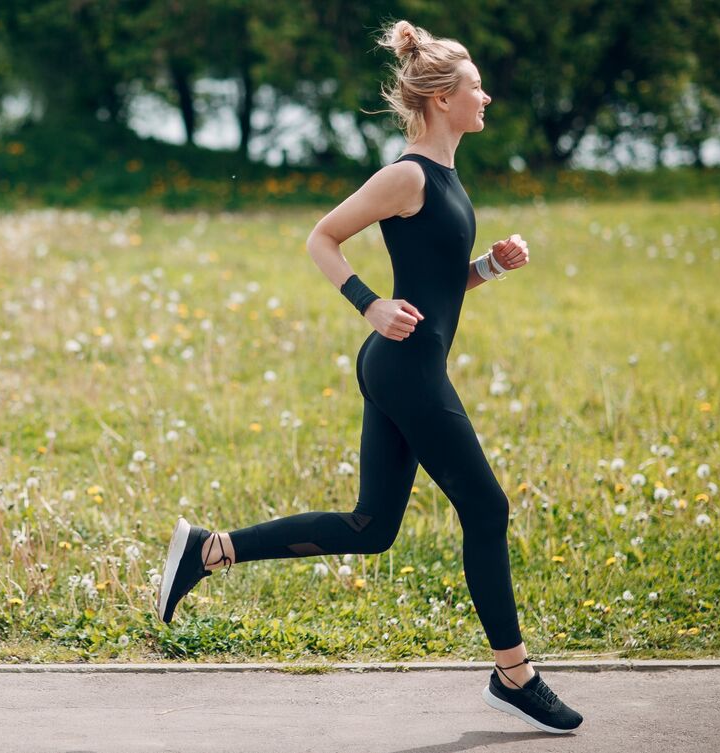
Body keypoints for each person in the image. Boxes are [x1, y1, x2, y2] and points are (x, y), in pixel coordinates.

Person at [156, 19, 584, 734]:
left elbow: (438, 285)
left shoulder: (445, 176)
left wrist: (489, 268)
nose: (488, 99)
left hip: (406, 363)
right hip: (404, 370)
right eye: (477, 88)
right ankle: (515, 674)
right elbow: (321, 236)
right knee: (487, 507)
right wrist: (369, 304)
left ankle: (208, 548)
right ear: (444, 98)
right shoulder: (407, 174)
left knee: (371, 527)